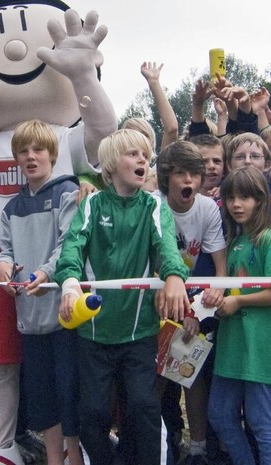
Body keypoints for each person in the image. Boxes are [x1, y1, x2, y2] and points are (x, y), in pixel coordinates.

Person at [0, 3, 114, 461]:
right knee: (5, 357)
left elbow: (104, 134)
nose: (13, 49)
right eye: (23, 152)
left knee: (66, 358)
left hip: (63, 258)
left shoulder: (61, 139)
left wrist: (84, 77)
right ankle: (3, 445)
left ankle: (75, 445)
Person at [55, 129, 189, 465]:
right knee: (93, 411)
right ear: (112, 165)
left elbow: (166, 247)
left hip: (140, 332)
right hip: (94, 333)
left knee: (144, 405)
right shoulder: (92, 204)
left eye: (145, 155)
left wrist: (174, 276)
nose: (142, 160)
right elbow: (72, 248)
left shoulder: (155, 205)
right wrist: (70, 283)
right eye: (133, 154)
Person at [0, 120, 81, 465]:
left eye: (38, 150)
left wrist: (45, 272)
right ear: (16, 158)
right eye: (23, 151)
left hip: (65, 315)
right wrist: (1, 265)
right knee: (42, 400)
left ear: (52, 155)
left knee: (69, 394)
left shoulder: (68, 193)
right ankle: (53, 459)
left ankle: (75, 458)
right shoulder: (10, 208)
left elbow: (68, 246)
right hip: (29, 321)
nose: (31, 157)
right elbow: (4, 250)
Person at [208, 166, 271, 465]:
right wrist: (220, 301)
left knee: (262, 421)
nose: (237, 204)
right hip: (234, 344)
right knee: (219, 414)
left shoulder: (270, 239)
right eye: (231, 197)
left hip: (263, 346)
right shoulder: (235, 241)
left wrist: (238, 303)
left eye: (245, 197)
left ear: (261, 200)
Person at [154, 141, 227, 465]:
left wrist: (202, 305)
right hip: (155, 299)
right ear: (167, 177)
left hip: (194, 302)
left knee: (190, 373)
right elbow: (152, 265)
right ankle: (154, 446)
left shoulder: (208, 209)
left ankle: (198, 449)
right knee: (154, 382)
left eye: (194, 174)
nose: (188, 181)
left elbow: (220, 267)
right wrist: (179, 310)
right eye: (180, 173)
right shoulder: (152, 206)